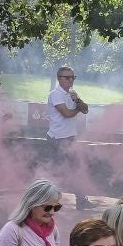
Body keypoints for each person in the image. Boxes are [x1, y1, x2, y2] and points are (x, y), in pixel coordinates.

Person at [46, 65, 89, 203]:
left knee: (74, 169)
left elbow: (86, 109)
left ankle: (80, 200)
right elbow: (67, 114)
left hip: (69, 138)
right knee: (58, 172)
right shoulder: (55, 94)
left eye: (73, 77)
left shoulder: (72, 93)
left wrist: (77, 100)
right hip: (58, 138)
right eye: (68, 77)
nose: (71, 80)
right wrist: (78, 108)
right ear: (59, 79)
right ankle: (47, 200)